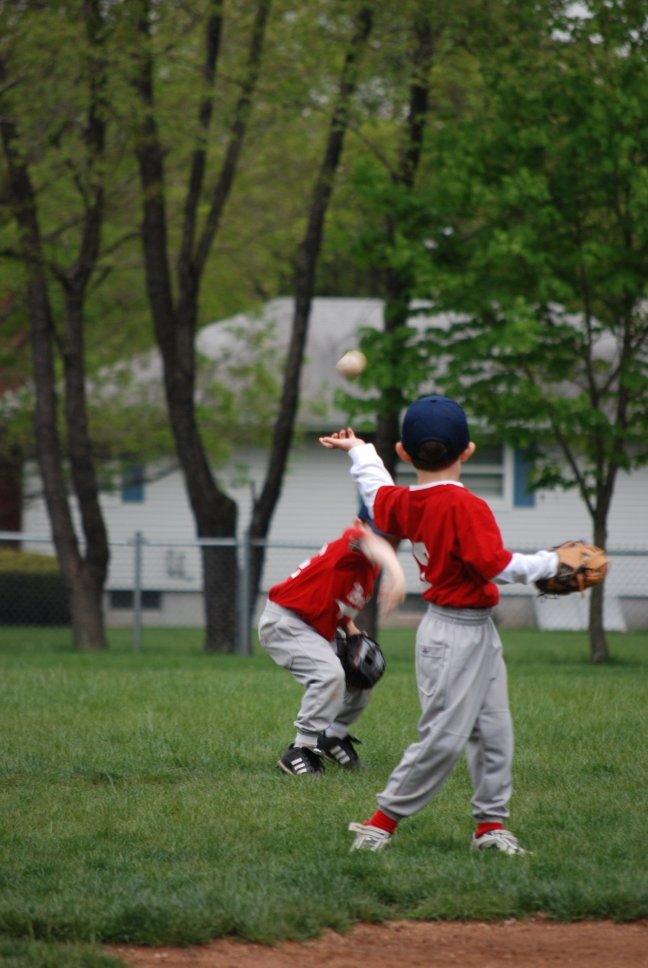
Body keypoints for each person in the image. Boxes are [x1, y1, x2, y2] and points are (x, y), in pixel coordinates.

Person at [319, 394, 562, 854]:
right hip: (453, 634)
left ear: (404, 452)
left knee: (494, 730)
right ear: (468, 450)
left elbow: (375, 489)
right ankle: (378, 825)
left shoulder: (403, 502)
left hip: (474, 631)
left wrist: (360, 451)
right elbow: (495, 566)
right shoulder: (466, 506)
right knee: (444, 738)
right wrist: (550, 563)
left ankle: (490, 827)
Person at [257, 514, 406, 776]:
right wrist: (399, 575)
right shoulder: (351, 543)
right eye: (383, 536)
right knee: (329, 675)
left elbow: (337, 603)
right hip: (286, 622)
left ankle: (332, 736)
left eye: (395, 539)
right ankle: (300, 749)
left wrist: (351, 631)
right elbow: (371, 543)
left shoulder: (368, 569)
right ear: (359, 525)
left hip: (314, 628)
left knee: (361, 674)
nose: (389, 544)